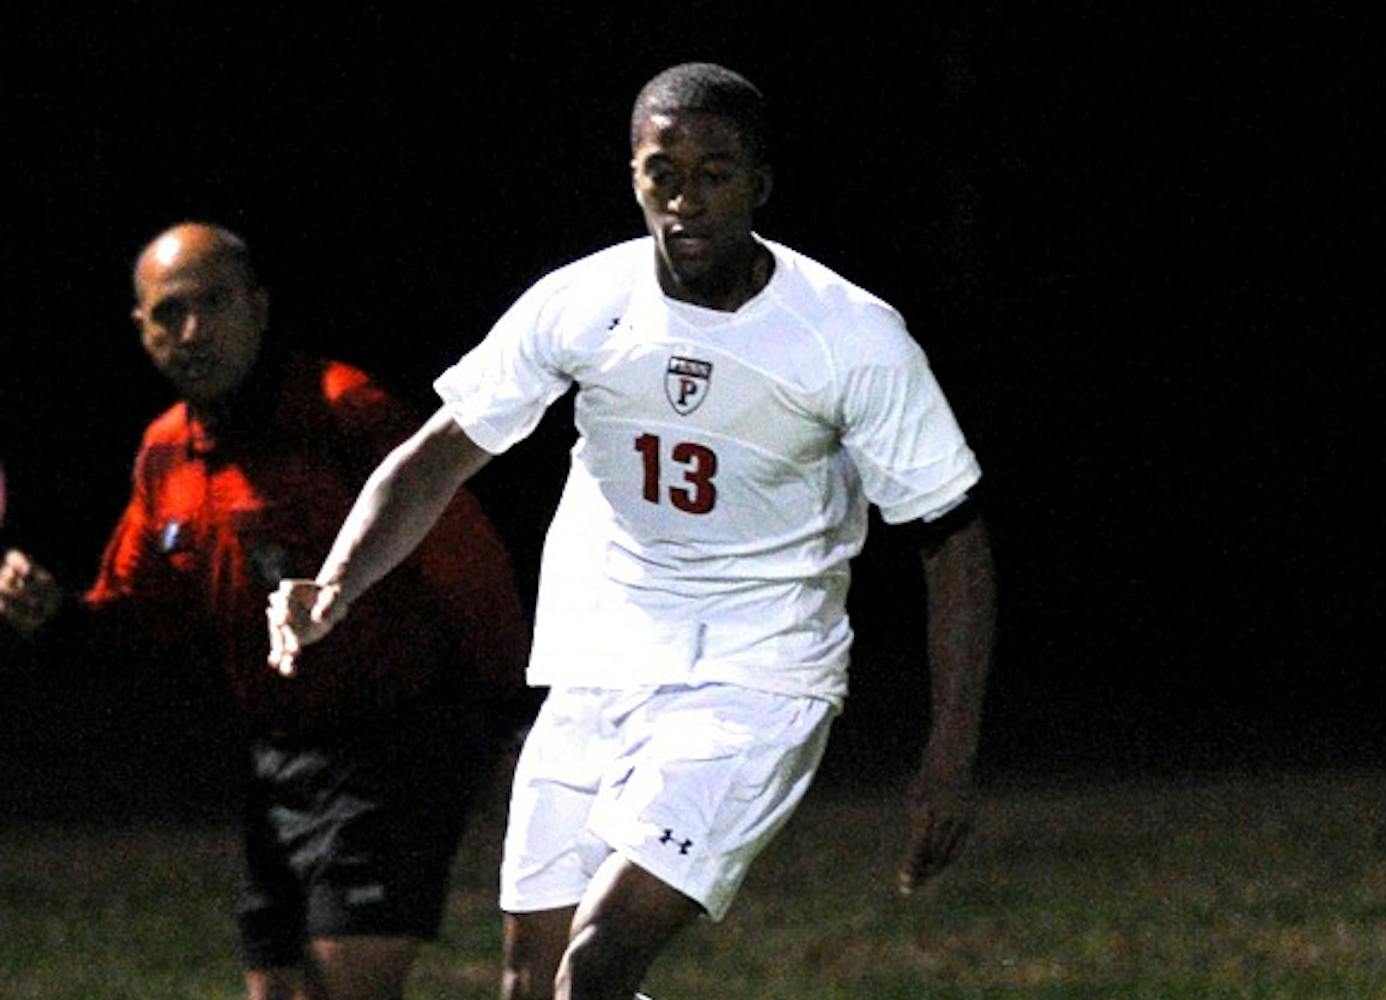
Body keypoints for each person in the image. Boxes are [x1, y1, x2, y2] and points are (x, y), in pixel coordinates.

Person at [267, 62, 996, 1000]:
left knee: (598, 961)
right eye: (663, 171)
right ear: (633, 175)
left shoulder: (849, 337)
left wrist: (950, 751)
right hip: (597, 665)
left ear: (762, 183)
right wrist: (336, 585)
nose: (685, 199)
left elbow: (954, 538)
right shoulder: (584, 302)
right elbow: (442, 451)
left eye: (715, 172)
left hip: (754, 680)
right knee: (532, 985)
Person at [0, 222, 531, 1000]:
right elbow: (138, 614)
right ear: (141, 328)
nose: (193, 331)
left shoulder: (343, 412)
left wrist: (513, 712)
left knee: (347, 986)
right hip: (276, 758)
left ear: (258, 306)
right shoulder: (165, 454)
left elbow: (469, 567)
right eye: (168, 313)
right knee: (278, 990)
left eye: (213, 304)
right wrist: (53, 612)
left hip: (397, 744)